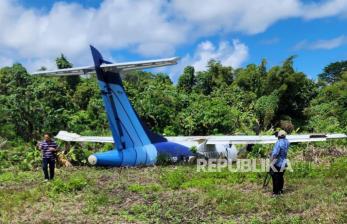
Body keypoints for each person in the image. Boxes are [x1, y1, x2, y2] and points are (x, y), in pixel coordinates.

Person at [270, 130, 289, 195]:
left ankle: (275, 192)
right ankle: (280, 190)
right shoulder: (287, 142)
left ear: (279, 136)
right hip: (284, 162)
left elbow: (275, 153)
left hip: (278, 162)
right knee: (280, 176)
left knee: (275, 177)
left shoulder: (278, 143)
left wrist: (271, 160)